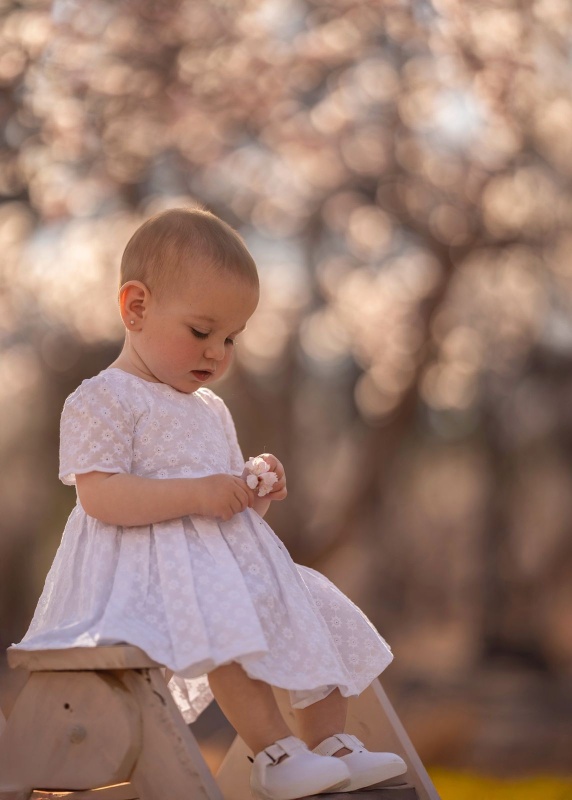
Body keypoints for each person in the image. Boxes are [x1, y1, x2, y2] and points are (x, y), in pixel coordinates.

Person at [14, 208, 407, 800]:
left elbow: (225, 515)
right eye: (202, 332)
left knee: (313, 598)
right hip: (132, 576)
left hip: (212, 565)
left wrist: (252, 492)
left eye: (231, 338)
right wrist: (197, 493)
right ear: (136, 307)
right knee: (220, 604)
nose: (217, 353)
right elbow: (100, 498)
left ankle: (328, 741)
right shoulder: (103, 398)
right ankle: (275, 752)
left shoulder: (209, 410)